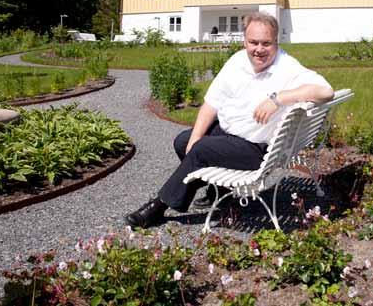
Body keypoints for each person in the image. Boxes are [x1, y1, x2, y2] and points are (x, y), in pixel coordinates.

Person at [126, 12, 334, 228]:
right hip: (227, 136)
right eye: (253, 42)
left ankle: (158, 207)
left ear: (276, 42)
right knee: (184, 141)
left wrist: (278, 99)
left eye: (266, 43)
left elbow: (325, 92)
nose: (259, 49)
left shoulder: (287, 68)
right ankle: (220, 190)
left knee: (202, 149)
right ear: (244, 40)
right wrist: (195, 138)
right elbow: (211, 104)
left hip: (256, 149)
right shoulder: (237, 61)